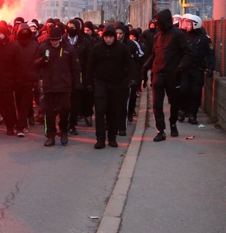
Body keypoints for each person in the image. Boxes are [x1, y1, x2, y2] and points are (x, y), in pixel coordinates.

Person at [142, 9, 193, 142]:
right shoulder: (157, 36)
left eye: (159, 21)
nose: (157, 24)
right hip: (157, 75)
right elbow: (154, 54)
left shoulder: (178, 35)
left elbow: (188, 53)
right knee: (156, 104)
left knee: (174, 102)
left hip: (173, 75)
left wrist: (181, 68)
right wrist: (145, 67)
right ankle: (161, 130)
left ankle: (173, 123)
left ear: (164, 20)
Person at [86, 25, 133, 149]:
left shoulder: (122, 49)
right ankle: (100, 138)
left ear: (114, 37)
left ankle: (112, 137)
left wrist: (129, 80)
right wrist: (88, 83)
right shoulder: (97, 49)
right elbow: (90, 66)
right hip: (100, 83)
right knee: (100, 110)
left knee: (113, 112)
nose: (108, 40)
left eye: (111, 37)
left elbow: (130, 65)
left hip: (117, 84)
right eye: (106, 37)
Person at [35, 26, 81, 146]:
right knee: (48, 112)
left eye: (56, 39)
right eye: (52, 40)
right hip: (49, 85)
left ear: (60, 38)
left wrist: (76, 83)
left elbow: (75, 67)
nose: (54, 42)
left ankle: (64, 131)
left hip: (64, 85)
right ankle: (50, 135)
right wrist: (42, 61)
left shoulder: (68, 48)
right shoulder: (43, 47)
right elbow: (35, 64)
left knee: (64, 109)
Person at [178, 14, 215, 125]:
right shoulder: (182, 37)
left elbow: (210, 54)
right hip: (184, 70)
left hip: (197, 69)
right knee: (183, 90)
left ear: (195, 24)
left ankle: (193, 114)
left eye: (188, 22)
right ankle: (182, 110)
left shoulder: (204, 39)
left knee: (196, 93)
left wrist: (211, 67)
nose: (185, 25)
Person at [64, 19, 91, 136]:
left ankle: (72, 124)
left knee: (75, 102)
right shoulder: (62, 40)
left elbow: (89, 60)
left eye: (73, 27)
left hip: (78, 75)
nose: (71, 29)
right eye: (69, 27)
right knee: (64, 103)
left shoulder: (85, 42)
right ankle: (64, 125)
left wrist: (87, 77)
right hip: (64, 75)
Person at [14, 22, 39, 132]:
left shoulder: (35, 46)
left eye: (26, 32)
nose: (24, 33)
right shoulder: (14, 45)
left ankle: (22, 125)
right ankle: (24, 120)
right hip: (17, 79)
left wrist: (36, 76)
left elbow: (38, 62)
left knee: (25, 103)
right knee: (19, 103)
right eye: (22, 32)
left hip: (29, 79)